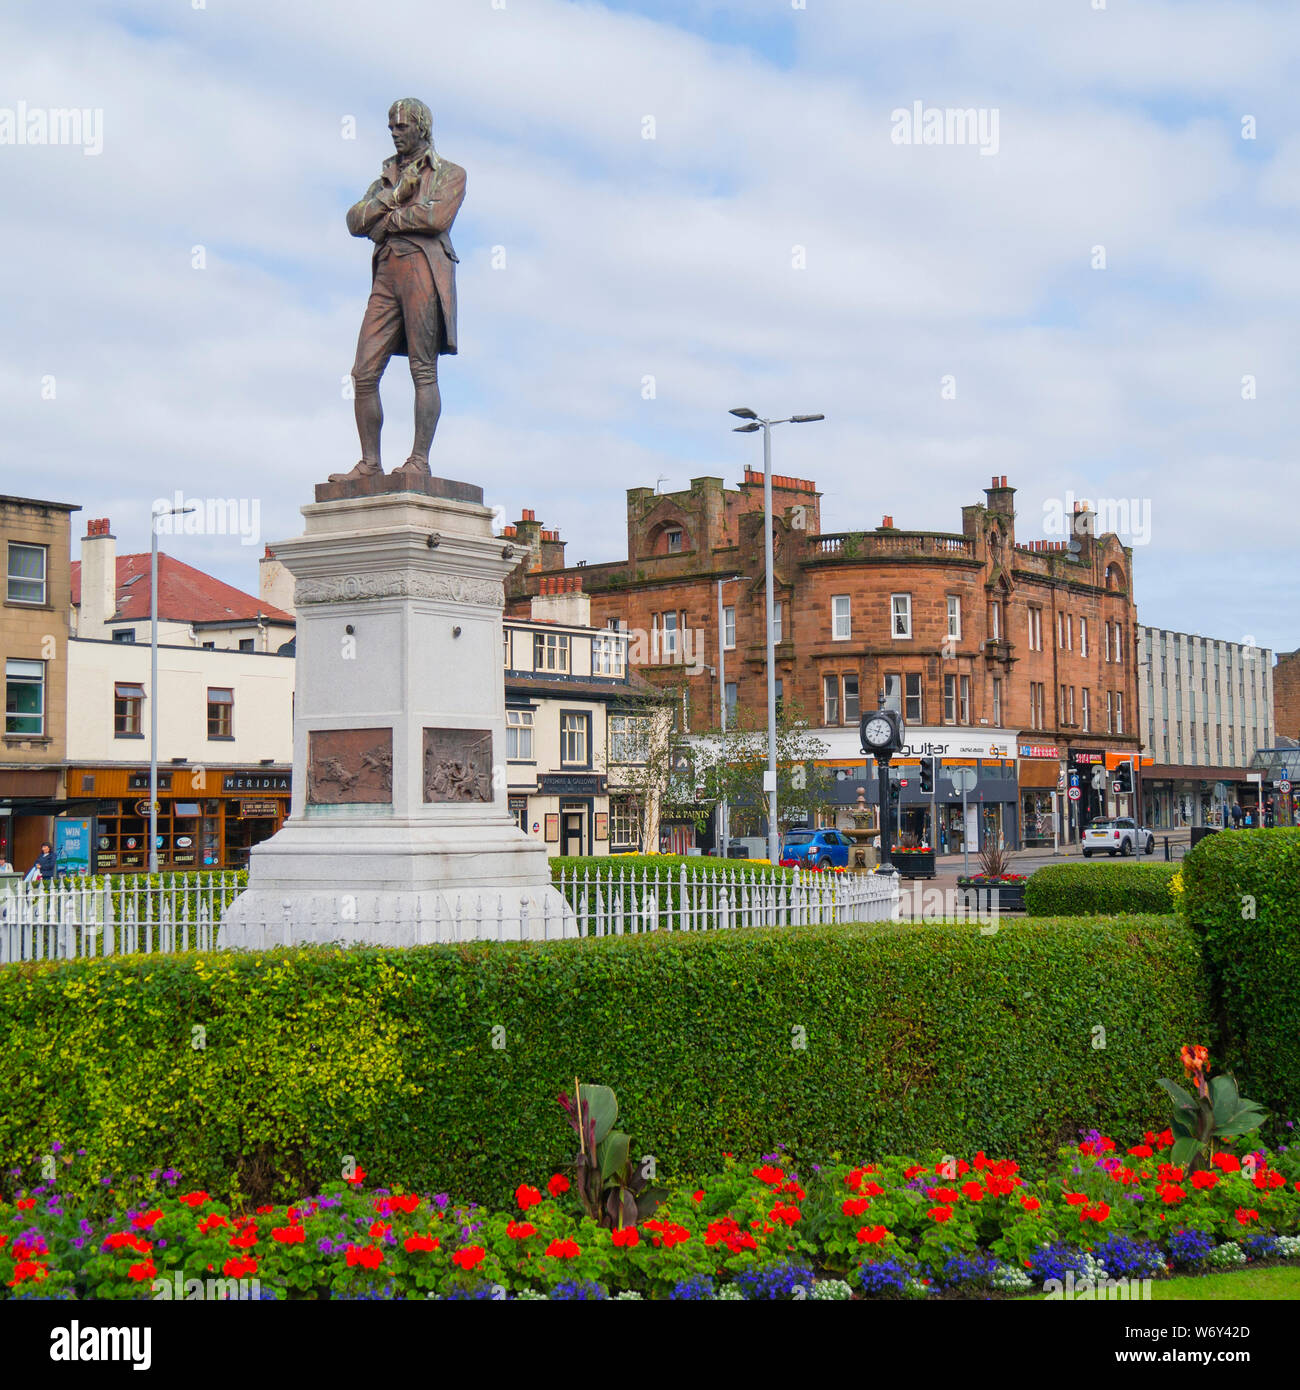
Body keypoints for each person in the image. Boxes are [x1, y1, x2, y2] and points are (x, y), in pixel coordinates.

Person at [330, 97, 467, 483]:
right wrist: (393, 197)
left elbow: (435, 216)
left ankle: (418, 460)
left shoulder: (450, 173)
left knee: (422, 368)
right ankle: (369, 462)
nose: (394, 133)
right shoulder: (385, 179)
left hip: (421, 268)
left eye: (402, 126)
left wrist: (386, 220)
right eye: (391, 127)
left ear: (422, 126)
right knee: (363, 372)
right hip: (386, 276)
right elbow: (355, 220)